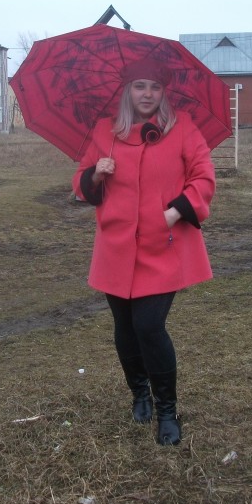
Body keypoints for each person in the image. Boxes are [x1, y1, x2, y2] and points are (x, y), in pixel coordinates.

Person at [71, 57, 216, 446]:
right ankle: (140, 394)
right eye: (139, 86)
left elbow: (204, 176)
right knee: (125, 328)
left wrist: (175, 211)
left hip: (163, 246)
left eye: (155, 86)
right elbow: (81, 184)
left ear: (164, 92)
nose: (147, 94)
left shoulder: (182, 127)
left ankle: (167, 411)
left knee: (149, 327)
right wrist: (95, 173)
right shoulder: (104, 132)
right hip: (116, 247)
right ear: (127, 91)